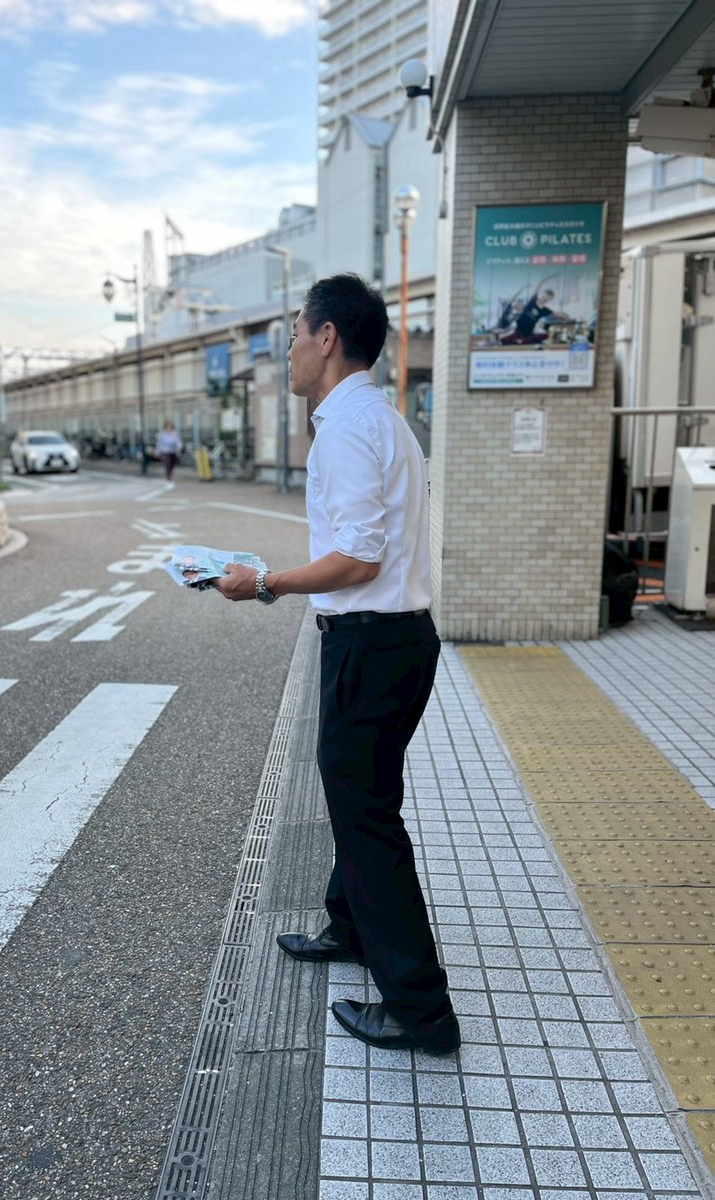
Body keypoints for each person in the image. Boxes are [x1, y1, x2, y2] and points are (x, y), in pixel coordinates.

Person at [216, 273, 459, 1056]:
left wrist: (266, 584)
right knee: (361, 793)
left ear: (327, 339)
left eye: (293, 333)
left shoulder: (350, 429)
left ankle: (421, 1013)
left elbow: (356, 558)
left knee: (365, 813)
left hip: (371, 641)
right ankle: (348, 927)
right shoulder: (377, 419)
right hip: (392, 641)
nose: (286, 350)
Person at [500, 288, 566, 345]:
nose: (544, 299)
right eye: (544, 297)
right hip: (518, 330)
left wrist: (565, 318)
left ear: (549, 300)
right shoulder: (532, 301)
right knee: (503, 340)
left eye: (546, 299)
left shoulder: (545, 310)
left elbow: (556, 315)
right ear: (541, 295)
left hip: (529, 333)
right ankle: (520, 341)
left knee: (546, 336)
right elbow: (536, 290)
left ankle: (522, 341)